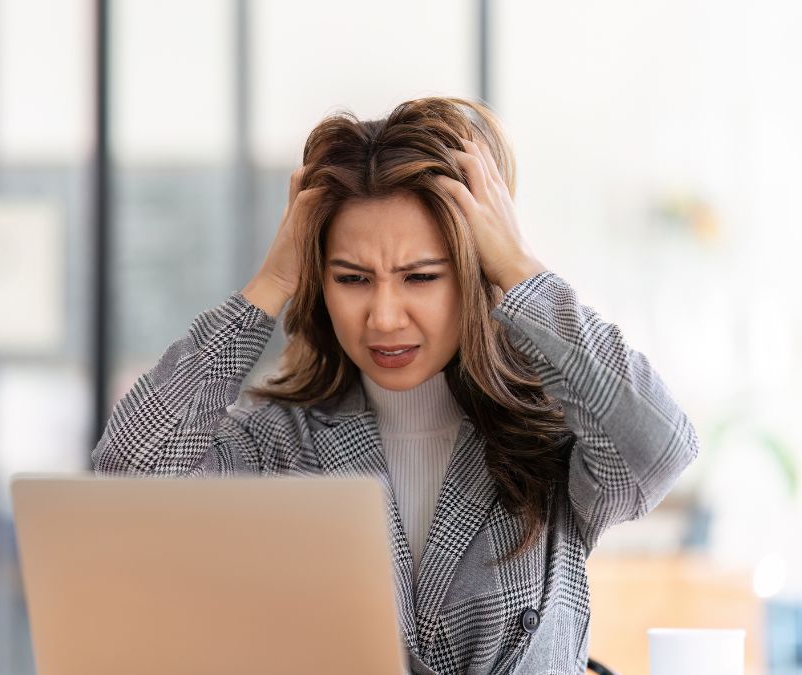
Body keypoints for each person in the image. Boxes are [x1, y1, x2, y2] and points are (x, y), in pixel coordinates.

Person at [92, 96, 699, 674]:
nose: (383, 317)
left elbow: (658, 448)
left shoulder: (548, 438)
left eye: (420, 277)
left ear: (472, 272)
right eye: (353, 278)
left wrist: (519, 270)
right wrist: (272, 281)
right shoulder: (276, 439)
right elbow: (128, 482)